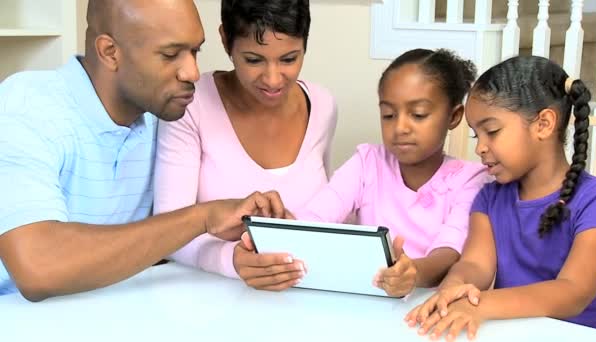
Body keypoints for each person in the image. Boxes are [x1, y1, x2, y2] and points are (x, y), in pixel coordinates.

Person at [0, 0, 290, 301]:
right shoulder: (25, 107)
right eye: (170, 55)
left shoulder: (163, 115)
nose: (192, 72)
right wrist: (201, 218)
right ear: (110, 52)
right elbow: (38, 265)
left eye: (195, 51)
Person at [406, 55, 596, 339]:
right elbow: (475, 264)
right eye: (477, 136)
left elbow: (573, 292)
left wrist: (482, 304)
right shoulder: (488, 198)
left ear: (544, 124)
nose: (480, 149)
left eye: (492, 131)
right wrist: (454, 288)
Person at [153, 0, 337, 292]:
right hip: (207, 303)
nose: (273, 79)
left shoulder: (322, 105)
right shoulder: (191, 104)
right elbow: (166, 232)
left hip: (306, 298)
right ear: (226, 39)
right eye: (254, 60)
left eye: (289, 59)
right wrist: (232, 260)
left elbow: (328, 215)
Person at [290, 49, 489, 297]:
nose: (400, 127)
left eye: (418, 115)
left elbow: (449, 251)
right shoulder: (366, 163)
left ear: (454, 116)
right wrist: (287, 233)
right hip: (365, 302)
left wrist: (412, 272)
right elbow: (316, 216)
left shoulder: (471, 180)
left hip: (427, 311)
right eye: (388, 115)